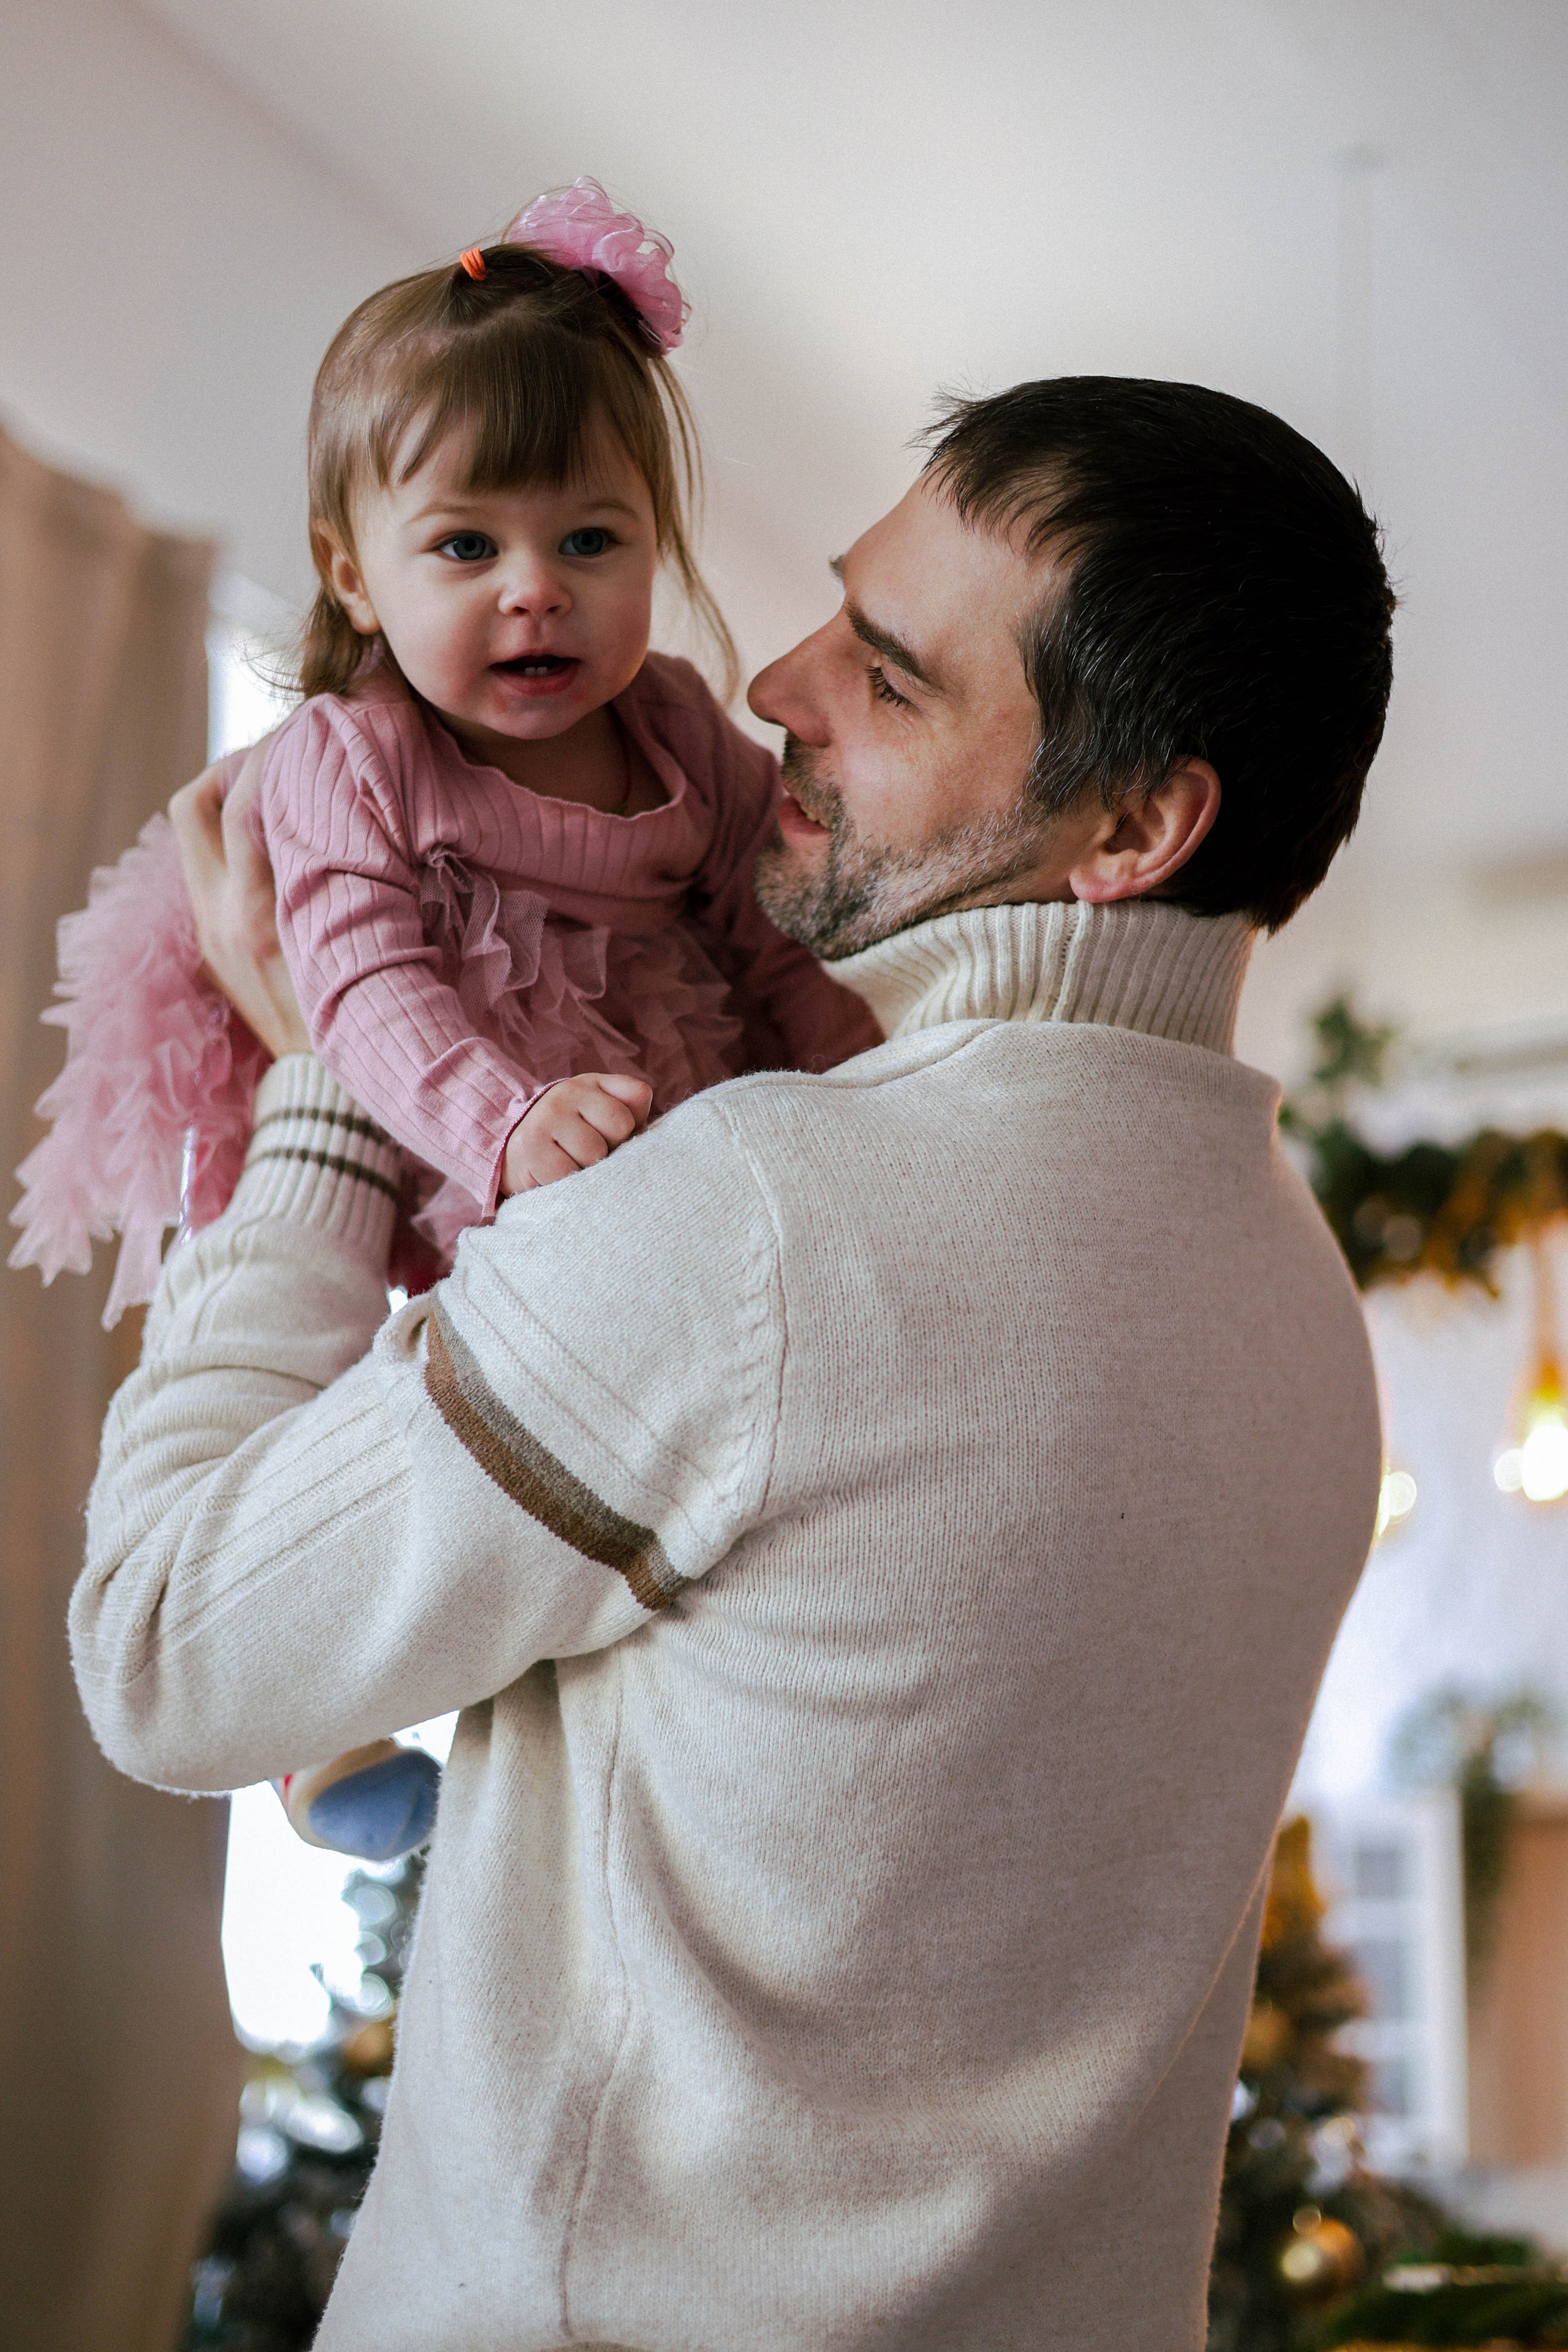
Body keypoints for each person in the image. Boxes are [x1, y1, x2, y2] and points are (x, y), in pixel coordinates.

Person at [72, 373, 1394, 2352]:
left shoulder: (762, 1219)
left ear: (1135, 824)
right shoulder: (1305, 1303)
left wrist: (333, 1096)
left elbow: (166, 1650)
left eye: (888, 670)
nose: (773, 680)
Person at [15, 179, 874, 1860]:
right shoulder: (359, 756)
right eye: (468, 547)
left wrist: (861, 1087)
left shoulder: (686, 731)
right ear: (353, 568)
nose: (533, 591)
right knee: (372, 1419)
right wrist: (496, 1122)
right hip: (459, 1152)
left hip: (670, 1118)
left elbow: (772, 937)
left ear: (657, 546)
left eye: (590, 542)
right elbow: (359, 984)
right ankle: (325, 1742)